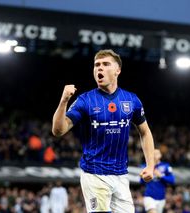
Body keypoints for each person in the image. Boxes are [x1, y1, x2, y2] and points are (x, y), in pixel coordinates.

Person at [52, 49, 155, 212]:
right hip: (94, 174)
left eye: (106, 64)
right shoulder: (85, 100)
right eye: (97, 65)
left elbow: (145, 132)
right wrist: (64, 100)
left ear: (117, 70)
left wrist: (150, 166)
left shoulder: (131, 100)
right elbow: (58, 130)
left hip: (121, 175)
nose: (99, 68)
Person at [141, 149, 175, 213]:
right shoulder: (145, 166)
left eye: (156, 153)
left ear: (160, 155)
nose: (154, 155)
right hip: (149, 196)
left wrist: (161, 176)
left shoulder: (166, 166)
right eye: (153, 153)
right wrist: (144, 177)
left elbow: (172, 180)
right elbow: (141, 181)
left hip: (161, 198)